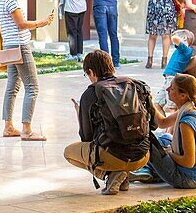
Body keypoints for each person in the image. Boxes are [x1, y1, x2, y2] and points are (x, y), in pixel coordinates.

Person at [64, 50, 153, 195]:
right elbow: (153, 124)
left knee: (68, 152)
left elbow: (87, 138)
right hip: (142, 155)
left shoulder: (91, 94)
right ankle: (123, 175)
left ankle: (110, 175)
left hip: (112, 155)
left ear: (91, 72)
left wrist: (80, 113)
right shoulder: (136, 86)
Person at [0, 0, 55, 140]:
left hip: (8, 45)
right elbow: (21, 24)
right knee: (32, 87)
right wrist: (42, 23)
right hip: (20, 46)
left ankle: (8, 126)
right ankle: (27, 130)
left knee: (12, 87)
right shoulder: (11, 0)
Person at [129, 74, 196, 189]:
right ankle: (148, 171)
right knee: (165, 137)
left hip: (190, 179)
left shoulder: (186, 123)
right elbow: (162, 123)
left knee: (147, 143)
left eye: (172, 88)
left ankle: (144, 171)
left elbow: (189, 161)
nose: (167, 90)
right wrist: (149, 101)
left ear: (183, 95)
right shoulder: (193, 107)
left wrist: (168, 153)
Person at [142, 0, 178, 68]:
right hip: (167, 9)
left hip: (153, 8)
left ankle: (150, 60)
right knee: (166, 36)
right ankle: (164, 61)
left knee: (152, 36)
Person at [154, 30, 195, 110]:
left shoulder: (185, 49)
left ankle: (174, 122)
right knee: (157, 103)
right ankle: (164, 122)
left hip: (172, 78)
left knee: (172, 106)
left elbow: (174, 38)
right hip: (168, 79)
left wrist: (172, 35)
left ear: (184, 38)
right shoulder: (182, 50)